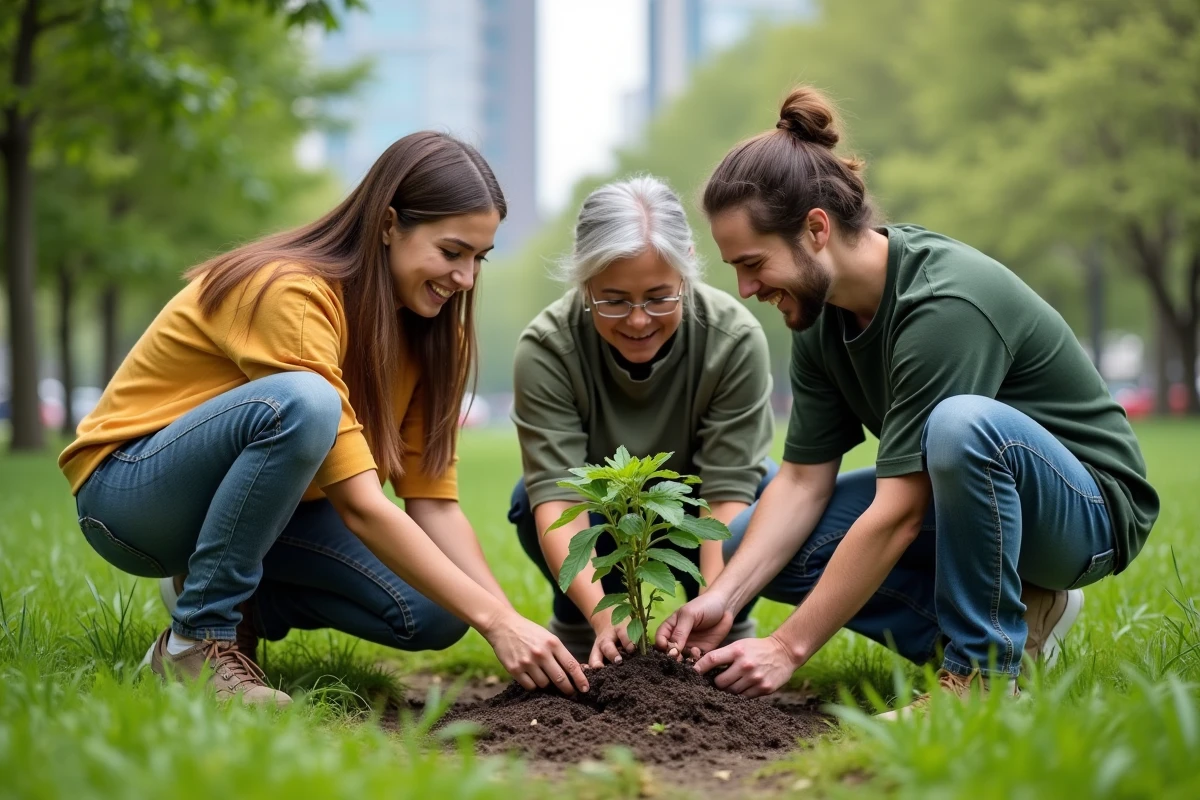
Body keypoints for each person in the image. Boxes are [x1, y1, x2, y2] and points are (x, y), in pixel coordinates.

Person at [655, 88, 1159, 712]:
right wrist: (725, 597)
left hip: (1085, 513)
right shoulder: (819, 316)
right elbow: (803, 483)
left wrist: (786, 648)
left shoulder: (942, 306)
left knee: (961, 426)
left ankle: (982, 680)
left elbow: (900, 513)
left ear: (816, 229)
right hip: (974, 503)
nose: (746, 287)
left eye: (754, 263)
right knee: (750, 541)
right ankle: (1016, 629)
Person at [61, 132, 589, 706]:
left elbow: (433, 503)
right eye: (451, 252)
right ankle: (195, 642)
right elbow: (362, 504)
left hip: (278, 513)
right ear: (389, 224)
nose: (465, 278)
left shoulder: (437, 332)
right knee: (306, 401)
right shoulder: (290, 291)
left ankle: (229, 599)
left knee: (440, 610)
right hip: (132, 498)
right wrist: (499, 623)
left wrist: (506, 622)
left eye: (479, 259)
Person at [509, 176, 777, 666]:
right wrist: (602, 615)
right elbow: (557, 496)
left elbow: (727, 493)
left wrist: (714, 602)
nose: (638, 320)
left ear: (686, 271)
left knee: (769, 490)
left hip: (695, 514)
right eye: (613, 299)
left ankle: (729, 627)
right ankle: (580, 623)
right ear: (584, 279)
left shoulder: (733, 339)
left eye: (659, 297)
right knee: (528, 499)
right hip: (602, 513)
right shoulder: (547, 347)